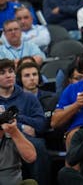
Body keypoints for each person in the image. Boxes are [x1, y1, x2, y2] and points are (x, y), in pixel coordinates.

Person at [0, 57, 48, 185]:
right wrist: (21, 126)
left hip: (25, 139)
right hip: (2, 138)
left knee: (38, 146)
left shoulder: (28, 98)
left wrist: (14, 116)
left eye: (10, 71)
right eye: (2, 73)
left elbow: (41, 125)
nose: (8, 75)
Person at [0, 105, 36, 184]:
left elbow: (31, 157)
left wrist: (14, 132)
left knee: (31, 183)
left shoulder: (11, 133)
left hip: (13, 181)